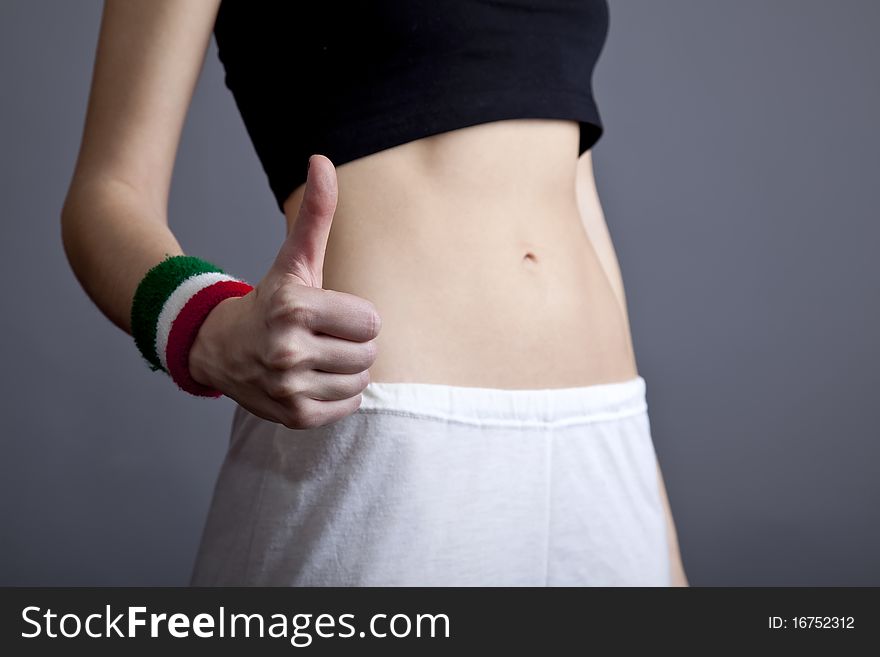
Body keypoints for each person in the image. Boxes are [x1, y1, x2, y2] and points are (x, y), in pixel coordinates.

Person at [61, 0, 689, 586]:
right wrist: (207, 328)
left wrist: (653, 519)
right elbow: (107, 192)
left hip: (603, 441)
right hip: (389, 441)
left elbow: (569, 192)